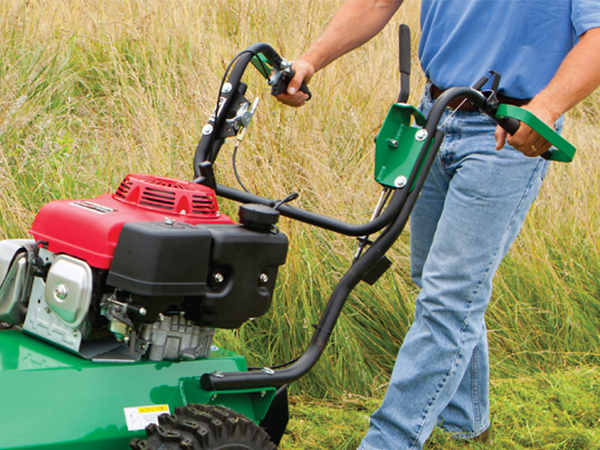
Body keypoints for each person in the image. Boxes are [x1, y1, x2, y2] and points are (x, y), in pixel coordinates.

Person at [277, 0, 600, 448]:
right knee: (436, 282)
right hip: (437, 114)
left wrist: (547, 107)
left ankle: (389, 442)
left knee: (449, 296)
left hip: (506, 132)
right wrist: (311, 59)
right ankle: (468, 424)